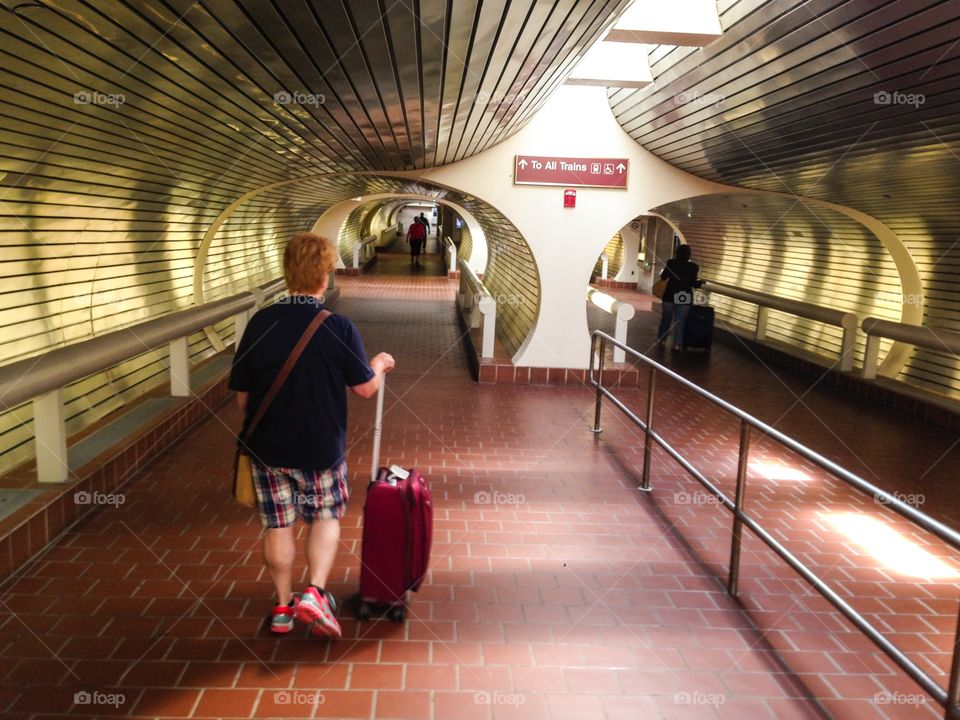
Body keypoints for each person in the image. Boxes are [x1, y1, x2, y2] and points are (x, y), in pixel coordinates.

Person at [229, 233, 395, 638]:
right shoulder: (337, 325)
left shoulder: (261, 322)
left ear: (287, 272)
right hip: (320, 447)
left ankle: (283, 607)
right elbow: (364, 388)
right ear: (325, 274)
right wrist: (379, 362)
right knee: (324, 517)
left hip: (268, 448)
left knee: (278, 524)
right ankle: (315, 594)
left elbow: (242, 399)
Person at [657, 244, 703, 351]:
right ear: (689, 254)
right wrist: (701, 283)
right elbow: (694, 283)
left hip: (669, 296)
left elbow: (663, 277)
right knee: (680, 322)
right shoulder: (693, 267)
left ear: (677, 253)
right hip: (684, 297)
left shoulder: (671, 263)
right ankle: (677, 344)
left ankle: (662, 341)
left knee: (666, 320)